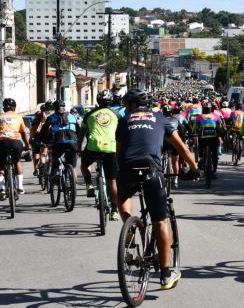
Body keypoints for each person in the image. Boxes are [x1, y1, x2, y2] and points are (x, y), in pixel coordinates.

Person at [115, 88, 199, 290]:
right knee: (160, 221)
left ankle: (130, 225)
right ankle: (165, 275)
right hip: (152, 170)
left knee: (123, 196)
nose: (126, 108)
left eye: (127, 105)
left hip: (127, 169)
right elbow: (182, 148)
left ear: (133, 105)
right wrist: (195, 169)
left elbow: (118, 153)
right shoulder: (160, 118)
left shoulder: (123, 121)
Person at [78, 89, 120, 220]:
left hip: (93, 147)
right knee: (112, 180)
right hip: (110, 149)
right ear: (110, 101)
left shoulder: (89, 114)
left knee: (84, 165)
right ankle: (114, 210)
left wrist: (79, 148)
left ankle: (89, 184)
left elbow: (81, 135)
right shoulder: (115, 115)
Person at [0, 98, 30, 200]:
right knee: (17, 161)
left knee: (0, 167)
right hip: (16, 143)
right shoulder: (18, 117)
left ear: (4, 108)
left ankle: (1, 189)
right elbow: (23, 133)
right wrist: (27, 146)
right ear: (14, 108)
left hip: (2, 143)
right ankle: (20, 186)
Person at [39, 100, 80, 187]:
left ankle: (56, 175)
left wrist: (44, 141)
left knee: (55, 158)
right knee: (73, 167)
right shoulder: (72, 116)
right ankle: (73, 186)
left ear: (54, 108)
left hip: (58, 142)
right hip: (73, 142)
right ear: (64, 108)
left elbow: (44, 131)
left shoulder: (51, 117)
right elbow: (78, 130)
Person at [193, 101, 224, 179]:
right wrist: (221, 133)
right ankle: (214, 169)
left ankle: (201, 159)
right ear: (211, 109)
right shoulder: (216, 116)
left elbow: (194, 128)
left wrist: (193, 133)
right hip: (213, 138)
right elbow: (219, 128)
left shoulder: (200, 117)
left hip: (203, 139)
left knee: (201, 148)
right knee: (214, 154)